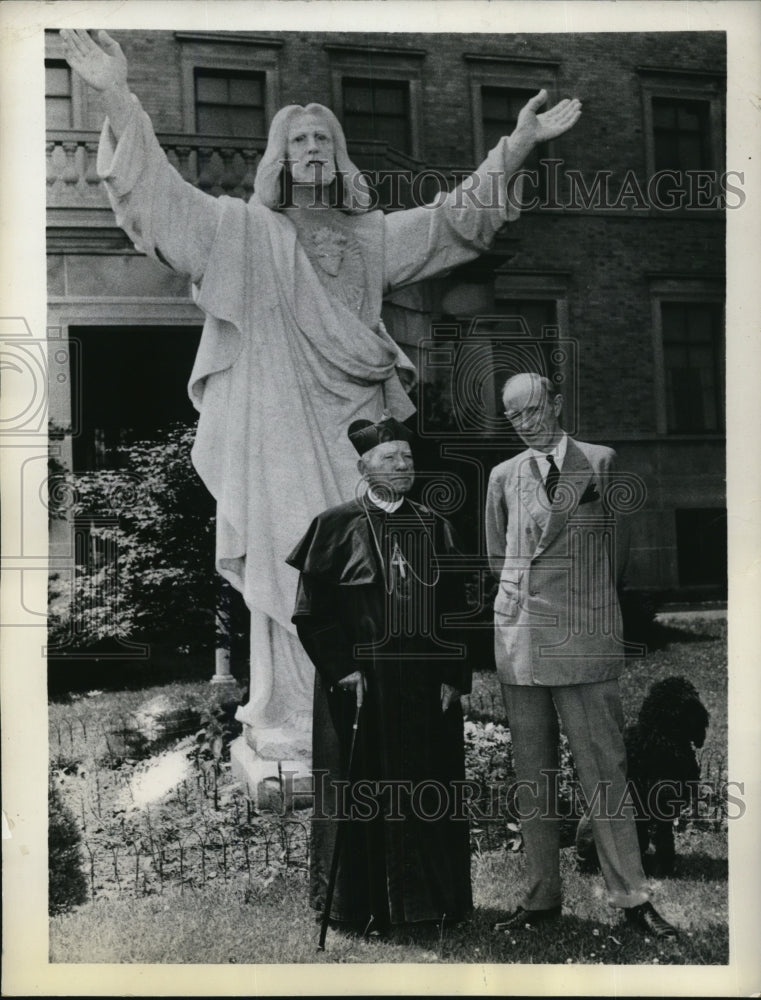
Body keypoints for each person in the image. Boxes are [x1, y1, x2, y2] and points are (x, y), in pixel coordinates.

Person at [58, 29, 582, 758]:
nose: (310, 147)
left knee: (369, 562)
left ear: (337, 155)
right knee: (289, 561)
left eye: (321, 137)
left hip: (358, 430)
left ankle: (375, 714)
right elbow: (163, 205)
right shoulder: (242, 231)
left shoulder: (370, 238)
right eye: (297, 137)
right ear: (281, 154)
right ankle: (295, 719)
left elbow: (453, 221)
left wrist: (516, 145)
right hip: (276, 427)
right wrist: (116, 95)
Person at [485, 372, 678, 939]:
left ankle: (632, 898)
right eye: (514, 416)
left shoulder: (600, 462)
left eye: (533, 409)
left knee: (604, 771)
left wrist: (584, 606)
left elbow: (619, 553)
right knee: (532, 779)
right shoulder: (503, 476)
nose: (526, 423)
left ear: (559, 402)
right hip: (521, 643)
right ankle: (541, 898)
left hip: (584, 638)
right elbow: (498, 555)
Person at [286, 414, 471, 932]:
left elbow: (457, 610)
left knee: (428, 787)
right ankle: (357, 908)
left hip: (423, 685)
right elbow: (311, 613)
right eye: (391, 458)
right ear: (364, 466)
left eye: (409, 458)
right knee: (359, 790)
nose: (403, 465)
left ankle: (432, 905)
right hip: (361, 685)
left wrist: (454, 675)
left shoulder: (435, 526)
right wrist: (343, 670)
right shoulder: (334, 524)